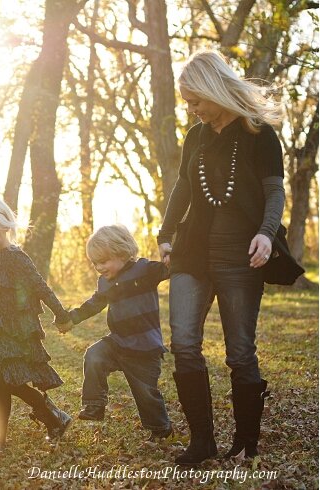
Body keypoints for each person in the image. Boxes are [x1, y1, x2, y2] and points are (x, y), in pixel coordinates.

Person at [157, 50, 284, 465]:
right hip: (192, 254)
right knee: (184, 344)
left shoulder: (258, 133)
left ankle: (246, 442)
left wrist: (266, 234)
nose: (190, 109)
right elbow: (182, 189)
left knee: (240, 352)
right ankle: (202, 442)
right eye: (186, 102)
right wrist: (165, 234)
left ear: (215, 89)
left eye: (195, 101)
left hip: (241, 257)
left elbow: (273, 191)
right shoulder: (195, 136)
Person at [0, 196, 72, 448]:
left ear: (6, 228)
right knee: (3, 383)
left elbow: (41, 287)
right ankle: (5, 436)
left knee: (11, 382)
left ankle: (53, 415)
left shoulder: (17, 258)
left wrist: (60, 314)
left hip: (19, 329)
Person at [58, 225, 173, 442]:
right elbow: (94, 304)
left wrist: (172, 258)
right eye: (95, 263)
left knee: (145, 392)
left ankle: (160, 428)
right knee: (94, 355)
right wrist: (72, 318)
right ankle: (94, 405)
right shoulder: (105, 282)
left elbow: (169, 269)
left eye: (104, 261)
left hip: (145, 347)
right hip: (118, 341)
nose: (99, 267)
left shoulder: (145, 269)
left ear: (122, 252)